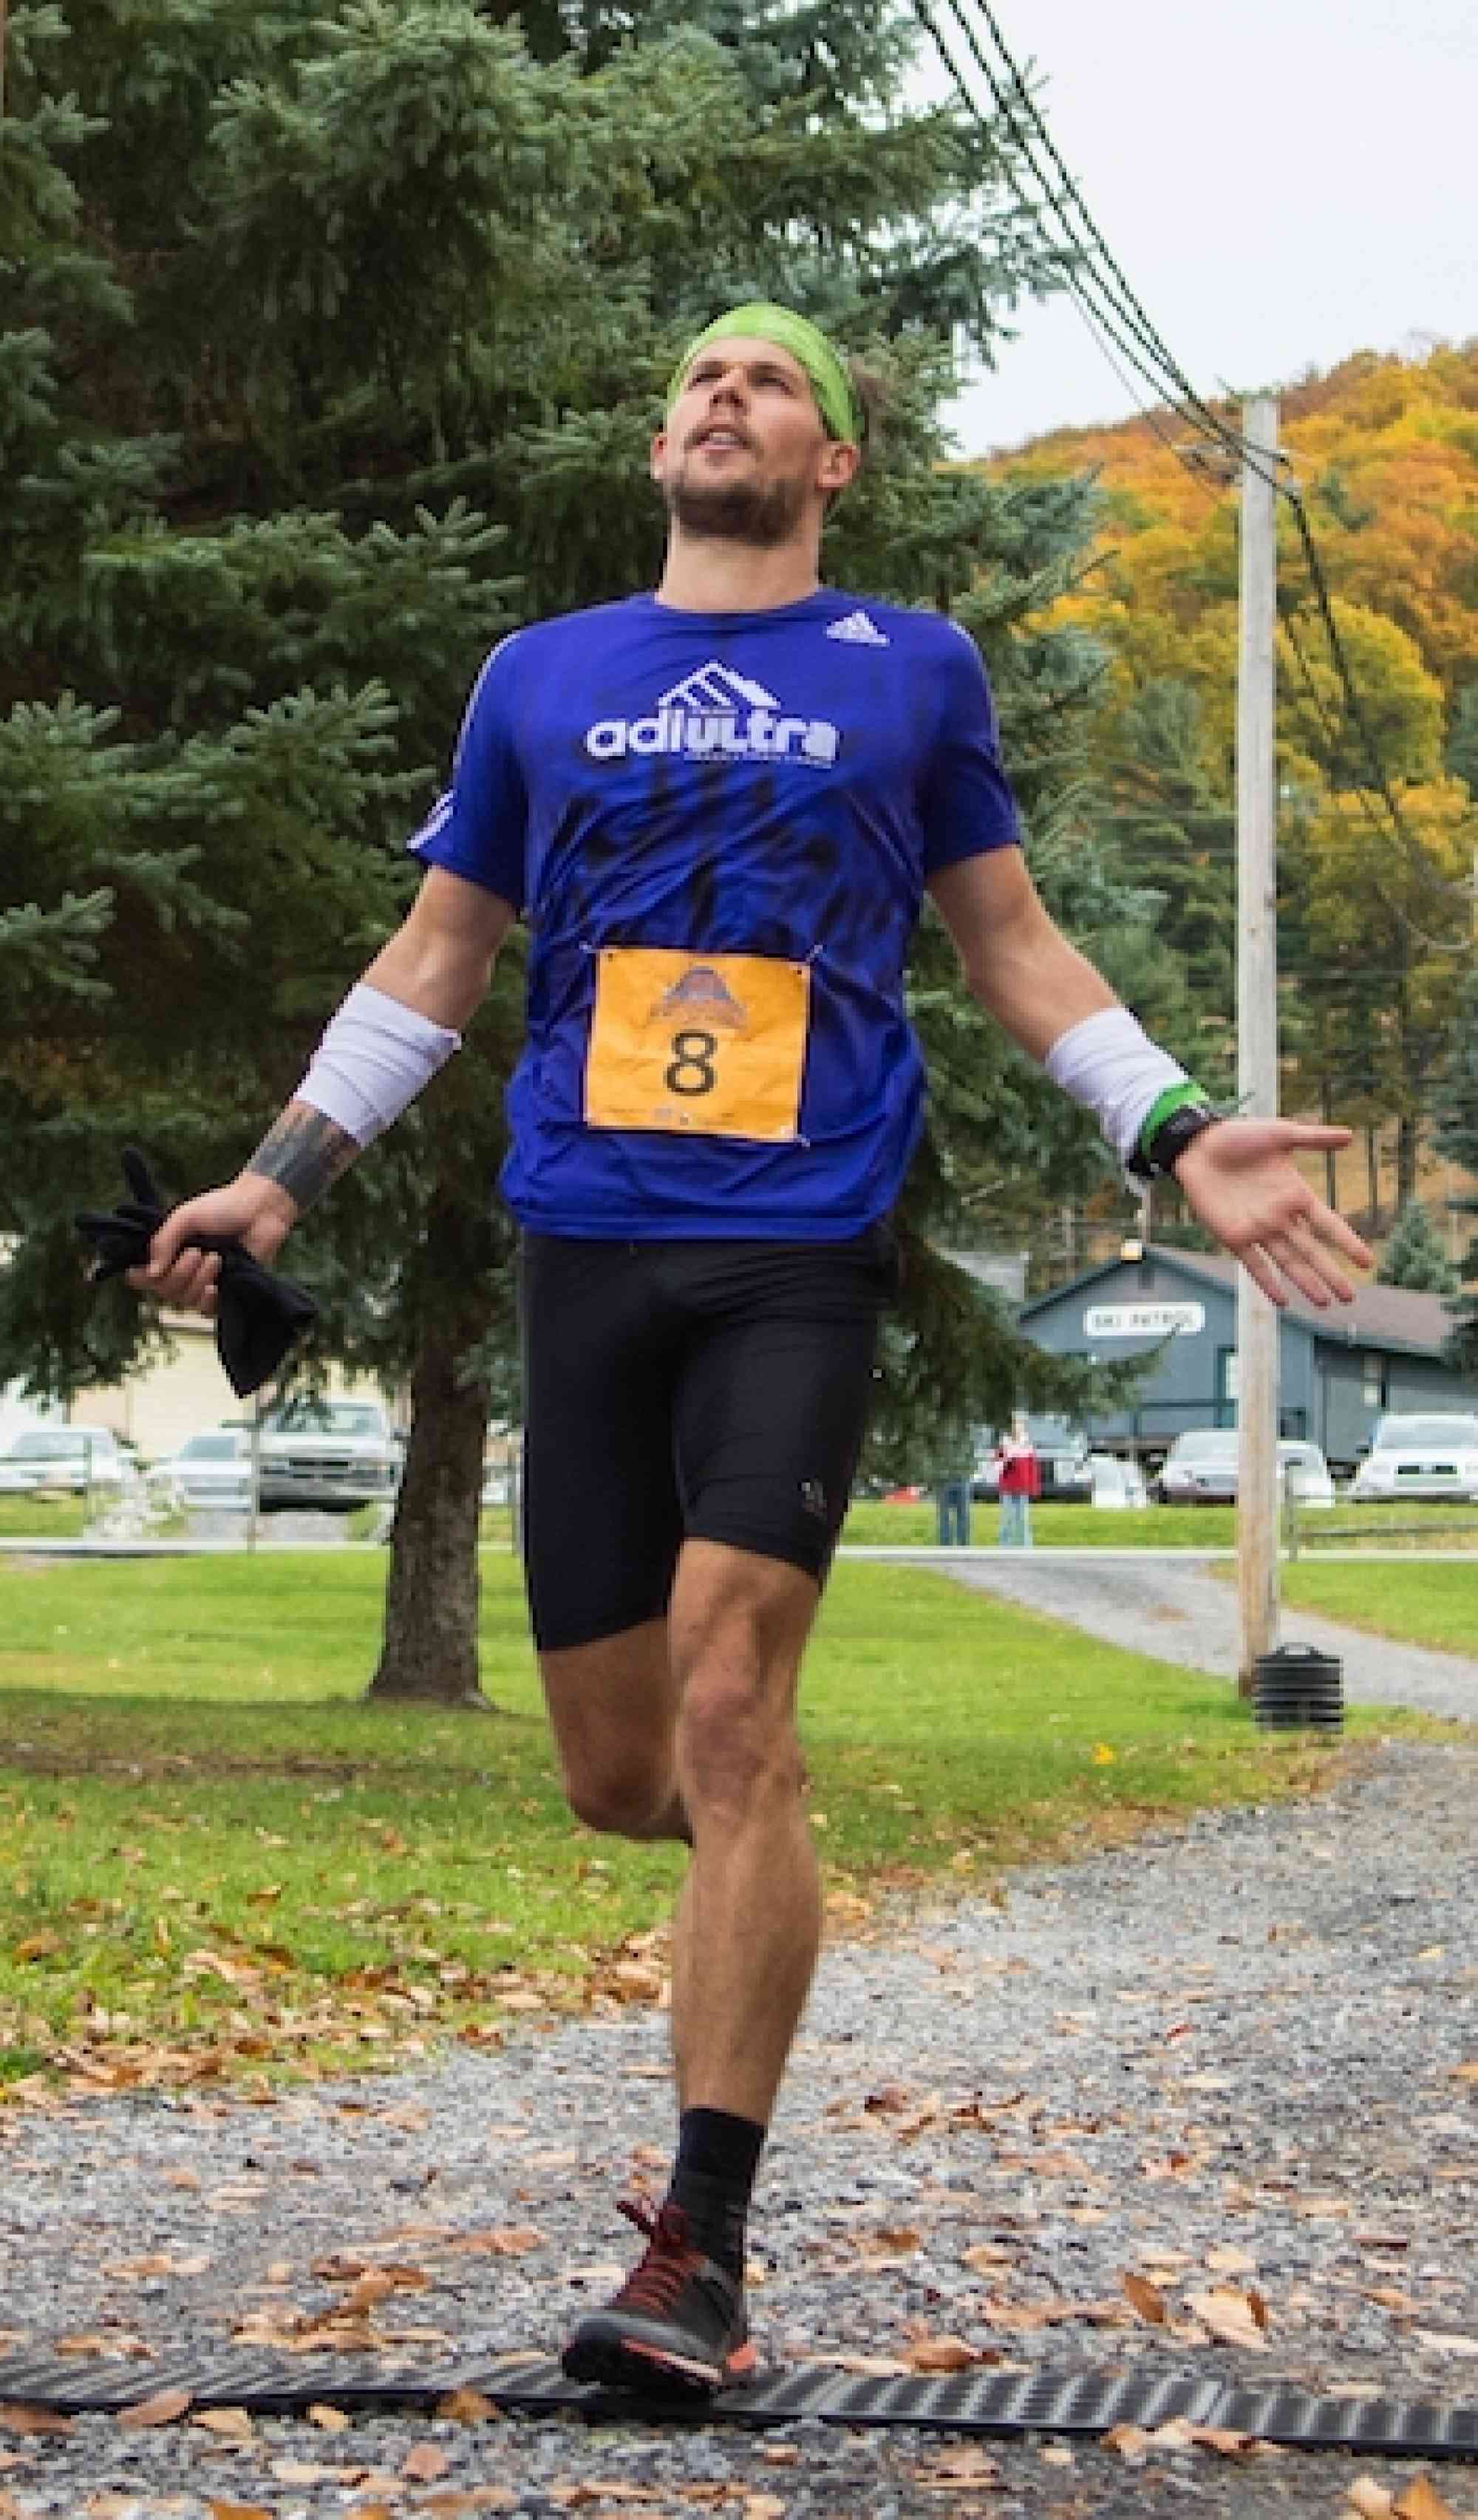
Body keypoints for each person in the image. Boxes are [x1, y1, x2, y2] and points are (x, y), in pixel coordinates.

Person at [128, 302, 1373, 2400]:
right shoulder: (541, 678)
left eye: (773, 379)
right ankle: (740, 1895)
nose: (729, 392)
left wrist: (1170, 1123)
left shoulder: (910, 671)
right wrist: (279, 1180)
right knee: (629, 1779)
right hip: (587, 1243)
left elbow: (1009, 940)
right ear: (657, 446)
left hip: (797, 1247)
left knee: (732, 1714)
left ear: (832, 464)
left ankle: (698, 2245)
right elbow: (436, 958)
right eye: (701, 376)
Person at [994, 1414, 1040, 1547]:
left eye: (1019, 1425)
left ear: (1023, 1427)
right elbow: (997, 1465)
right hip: (1008, 1488)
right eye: (1014, 1425)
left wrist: (1034, 1487)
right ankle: (1004, 1547)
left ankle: (1026, 1548)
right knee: (1006, 1519)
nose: (1017, 1428)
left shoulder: (1027, 1445)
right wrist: (1006, 1460)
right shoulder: (1004, 1444)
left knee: (1023, 1520)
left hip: (1023, 1488)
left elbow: (1033, 1468)